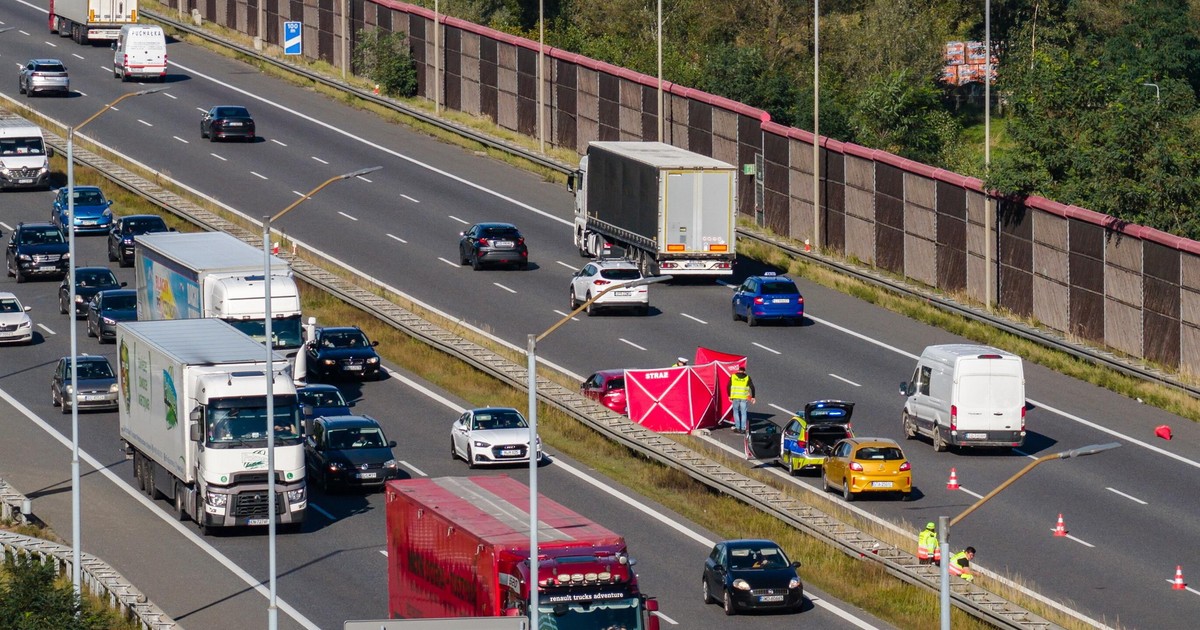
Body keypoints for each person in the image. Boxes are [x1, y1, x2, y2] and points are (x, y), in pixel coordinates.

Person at [728, 364, 755, 433]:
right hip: (743, 398)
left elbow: (728, 386)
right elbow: (752, 387)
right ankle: (743, 428)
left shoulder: (733, 376)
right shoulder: (747, 377)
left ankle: (737, 427)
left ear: (738, 371)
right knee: (743, 413)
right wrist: (753, 397)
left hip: (735, 397)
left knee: (736, 412)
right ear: (744, 372)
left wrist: (729, 396)